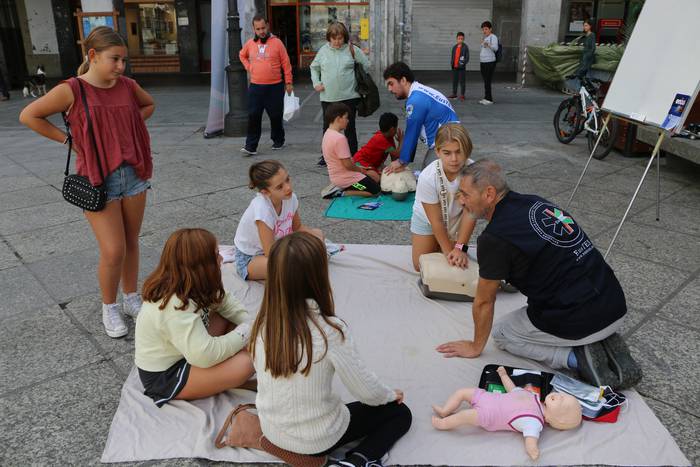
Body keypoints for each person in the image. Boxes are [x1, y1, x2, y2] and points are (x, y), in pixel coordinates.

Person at [436, 160, 642, 390]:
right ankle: (600, 344)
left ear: (489, 194)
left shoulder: (494, 239)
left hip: (582, 320)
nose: (461, 201)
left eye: (465, 194)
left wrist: (475, 346)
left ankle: (577, 358)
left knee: (503, 333)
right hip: (614, 303)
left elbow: (484, 301)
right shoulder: (535, 202)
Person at [19, 26, 155, 338]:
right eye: (115, 59)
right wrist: (68, 140)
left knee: (132, 242)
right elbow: (30, 116)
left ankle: (131, 298)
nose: (120, 67)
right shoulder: (73, 89)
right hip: (97, 178)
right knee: (113, 250)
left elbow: (148, 106)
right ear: (92, 56)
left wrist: (128, 131)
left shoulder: (127, 85)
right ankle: (109, 307)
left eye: (124, 61)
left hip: (133, 174)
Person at [249, 232, 412, 466]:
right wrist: (388, 395)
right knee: (400, 413)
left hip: (273, 430)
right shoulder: (330, 331)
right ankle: (358, 460)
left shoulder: (263, 324)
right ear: (319, 275)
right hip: (318, 439)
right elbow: (366, 390)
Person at [135, 228, 255, 407]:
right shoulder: (173, 304)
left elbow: (225, 302)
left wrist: (248, 323)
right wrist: (247, 332)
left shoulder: (193, 281)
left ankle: (222, 377)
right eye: (216, 255)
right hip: (166, 375)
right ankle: (227, 379)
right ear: (201, 266)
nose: (222, 259)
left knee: (231, 321)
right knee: (246, 364)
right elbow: (204, 356)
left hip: (186, 351)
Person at [432, 366, 581, 461]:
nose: (560, 396)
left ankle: (444, 423)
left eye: (562, 402)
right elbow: (513, 390)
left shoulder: (535, 423)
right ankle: (445, 410)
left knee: (464, 416)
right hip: (487, 397)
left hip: (489, 415)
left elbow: (530, 441)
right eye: (563, 395)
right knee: (462, 392)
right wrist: (504, 376)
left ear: (557, 420)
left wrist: (533, 451)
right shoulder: (533, 396)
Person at [234, 160, 323, 280]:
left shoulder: (290, 198)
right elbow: (270, 252)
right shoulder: (262, 210)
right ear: (266, 192)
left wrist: (317, 241)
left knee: (318, 234)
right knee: (290, 266)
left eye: (287, 179)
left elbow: (297, 228)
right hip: (250, 258)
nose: (288, 187)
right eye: (280, 187)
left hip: (279, 245)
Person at [410, 123, 476, 272]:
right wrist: (448, 252)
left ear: (467, 151)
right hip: (427, 220)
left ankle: (451, 244)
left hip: (457, 219)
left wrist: (459, 248)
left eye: (459, 152)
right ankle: (441, 245)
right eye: (447, 153)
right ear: (438, 152)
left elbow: (470, 214)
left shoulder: (474, 172)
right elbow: (436, 221)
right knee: (419, 266)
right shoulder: (427, 177)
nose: (454, 159)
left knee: (456, 260)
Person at [382, 62, 459, 174]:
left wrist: (401, 161)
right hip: (451, 141)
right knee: (426, 178)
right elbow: (415, 130)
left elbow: (412, 131)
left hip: (447, 144)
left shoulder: (415, 100)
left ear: (403, 80)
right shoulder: (419, 92)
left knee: (428, 182)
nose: (389, 89)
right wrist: (405, 161)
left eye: (391, 83)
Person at [311, 22, 370, 167]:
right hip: (328, 97)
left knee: (350, 127)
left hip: (349, 96)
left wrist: (358, 77)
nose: (337, 41)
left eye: (340, 38)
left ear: (345, 37)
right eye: (334, 38)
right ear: (329, 38)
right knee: (328, 128)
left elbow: (366, 64)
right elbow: (314, 68)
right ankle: (326, 156)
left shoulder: (351, 50)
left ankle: (353, 156)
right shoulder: (323, 51)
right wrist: (316, 83)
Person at [239, 14, 293, 156]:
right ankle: (251, 146)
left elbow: (286, 63)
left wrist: (288, 82)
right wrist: (248, 67)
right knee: (253, 115)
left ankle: (278, 140)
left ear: (267, 26)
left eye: (263, 27)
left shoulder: (277, 43)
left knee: (275, 116)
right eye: (258, 29)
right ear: (254, 29)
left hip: (274, 87)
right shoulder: (250, 43)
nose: (261, 31)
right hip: (256, 87)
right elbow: (241, 55)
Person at [321, 103, 381, 198]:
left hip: (338, 177)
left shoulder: (327, 133)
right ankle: (341, 192)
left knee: (375, 178)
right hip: (348, 180)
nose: (348, 121)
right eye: (346, 117)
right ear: (338, 119)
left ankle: (341, 187)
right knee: (375, 191)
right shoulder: (339, 138)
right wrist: (362, 170)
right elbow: (348, 165)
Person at [352, 112, 402, 182]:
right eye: (396, 128)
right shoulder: (380, 139)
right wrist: (401, 141)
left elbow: (394, 158)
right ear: (392, 129)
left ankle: (367, 173)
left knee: (390, 172)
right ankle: (356, 177)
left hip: (373, 164)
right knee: (378, 179)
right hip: (360, 162)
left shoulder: (389, 138)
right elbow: (397, 154)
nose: (396, 130)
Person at [478, 21, 498, 105]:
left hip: (489, 62)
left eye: (486, 29)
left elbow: (495, 48)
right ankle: (486, 97)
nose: (484, 31)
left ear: (490, 29)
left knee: (487, 81)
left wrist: (488, 44)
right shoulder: (485, 37)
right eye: (483, 29)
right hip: (483, 62)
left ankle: (489, 99)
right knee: (485, 81)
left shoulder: (493, 37)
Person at [448, 32, 469, 101]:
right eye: (459, 38)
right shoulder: (454, 47)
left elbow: (467, 58)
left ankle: (462, 95)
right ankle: (454, 94)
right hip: (455, 67)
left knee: (462, 81)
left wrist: (463, 63)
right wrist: (452, 63)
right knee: (455, 81)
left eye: (462, 39)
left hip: (461, 68)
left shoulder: (465, 47)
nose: (460, 40)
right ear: (456, 39)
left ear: (463, 39)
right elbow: (452, 56)